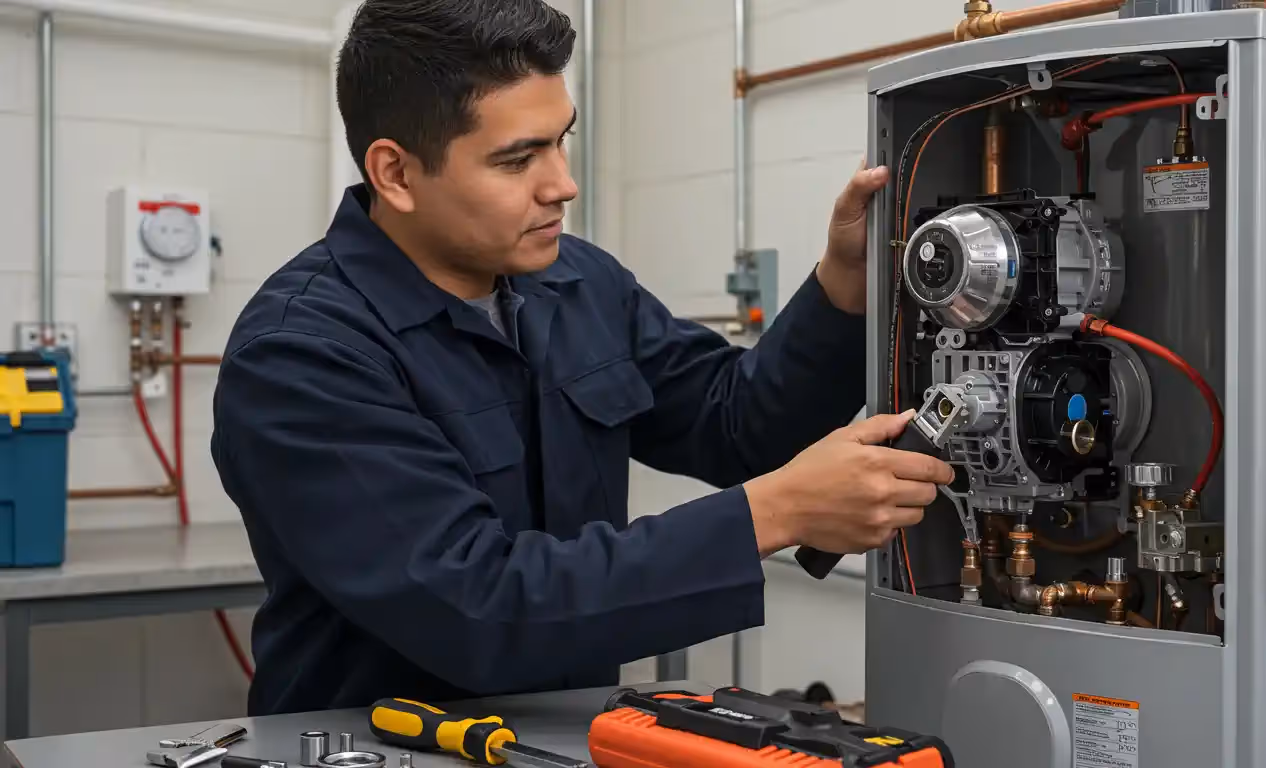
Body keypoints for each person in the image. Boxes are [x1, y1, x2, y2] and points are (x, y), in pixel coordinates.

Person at [211, 0, 954, 716]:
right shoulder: (301, 354)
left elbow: (737, 423)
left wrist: (844, 282)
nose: (562, 182)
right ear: (396, 173)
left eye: (561, 139)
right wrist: (780, 510)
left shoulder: (576, 284)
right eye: (517, 159)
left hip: (563, 741)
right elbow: (480, 608)